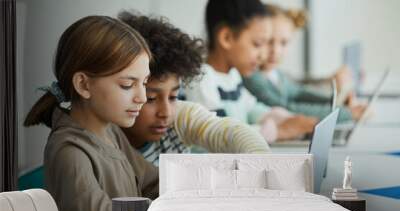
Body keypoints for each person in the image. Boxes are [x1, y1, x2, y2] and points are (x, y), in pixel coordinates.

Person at [24, 16, 158, 211]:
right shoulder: (69, 152)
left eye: (144, 83)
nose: (142, 97)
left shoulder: (111, 130)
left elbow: (152, 180)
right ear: (83, 84)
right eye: (127, 85)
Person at [118, 12, 270, 165]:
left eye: (173, 97)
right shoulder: (108, 143)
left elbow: (231, 133)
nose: (166, 112)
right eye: (150, 98)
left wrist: (261, 163)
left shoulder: (180, 117)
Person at [184, 0, 317, 143]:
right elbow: (220, 134)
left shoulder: (232, 76)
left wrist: (289, 119)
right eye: (257, 44)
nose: (263, 55)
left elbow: (252, 108)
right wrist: (278, 131)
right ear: (226, 38)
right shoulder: (201, 79)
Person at [243, 4, 366, 122]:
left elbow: (299, 92)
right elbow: (288, 110)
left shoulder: (276, 74)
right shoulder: (251, 76)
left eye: (284, 43)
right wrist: (348, 113)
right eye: (268, 41)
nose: (276, 51)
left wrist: (335, 102)